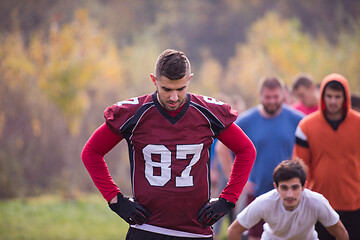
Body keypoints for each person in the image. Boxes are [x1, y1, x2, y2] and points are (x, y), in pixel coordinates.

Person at [81, 49, 256, 239]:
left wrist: (228, 199)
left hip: (196, 231)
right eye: (167, 89)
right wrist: (115, 200)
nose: (174, 97)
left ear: (190, 79)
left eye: (180, 89)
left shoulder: (207, 112)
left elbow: (246, 150)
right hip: (147, 229)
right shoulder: (135, 114)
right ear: (154, 80)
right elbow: (91, 152)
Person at [216, 76, 304, 240]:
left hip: (288, 192)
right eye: (267, 97)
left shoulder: (297, 119)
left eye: (276, 97)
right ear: (260, 96)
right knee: (254, 236)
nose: (272, 101)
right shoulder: (247, 120)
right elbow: (222, 148)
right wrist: (237, 181)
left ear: (282, 95)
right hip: (256, 194)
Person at [293, 73, 360, 240]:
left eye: (337, 97)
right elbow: (300, 167)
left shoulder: (358, 123)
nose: (333, 101)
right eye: (329, 96)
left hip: (355, 204)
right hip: (318, 205)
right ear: (322, 95)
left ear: (345, 98)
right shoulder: (307, 126)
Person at [227, 159, 349, 240]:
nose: (290, 194)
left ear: (303, 187)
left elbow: (341, 233)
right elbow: (234, 230)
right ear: (276, 187)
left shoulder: (316, 201)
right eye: (284, 188)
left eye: (295, 187)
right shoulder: (264, 202)